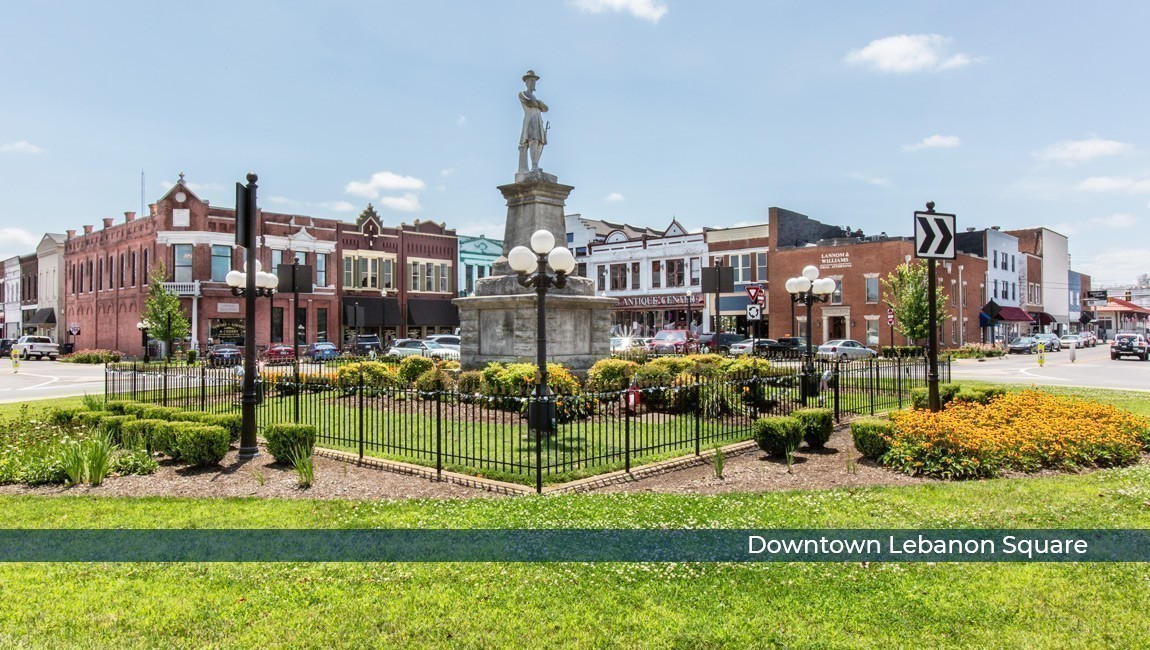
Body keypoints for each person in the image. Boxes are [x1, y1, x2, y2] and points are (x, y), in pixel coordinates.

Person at [518, 70, 548, 175]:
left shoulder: (535, 98)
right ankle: (534, 166)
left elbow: (546, 108)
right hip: (530, 120)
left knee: (540, 143)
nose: (533, 83)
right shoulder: (523, 94)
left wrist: (538, 103)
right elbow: (529, 102)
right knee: (533, 141)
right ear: (526, 82)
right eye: (531, 81)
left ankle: (536, 165)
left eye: (534, 81)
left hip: (538, 121)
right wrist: (539, 104)